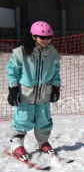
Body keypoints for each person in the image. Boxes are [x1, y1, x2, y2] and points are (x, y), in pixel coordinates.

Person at [7, 21, 61, 161]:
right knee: (23, 118)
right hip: (25, 93)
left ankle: (43, 142)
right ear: (33, 36)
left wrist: (55, 87)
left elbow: (56, 71)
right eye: (42, 37)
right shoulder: (21, 52)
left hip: (44, 92)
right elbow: (13, 71)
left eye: (49, 37)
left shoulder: (53, 53)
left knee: (44, 118)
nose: (46, 40)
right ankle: (16, 143)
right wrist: (13, 89)